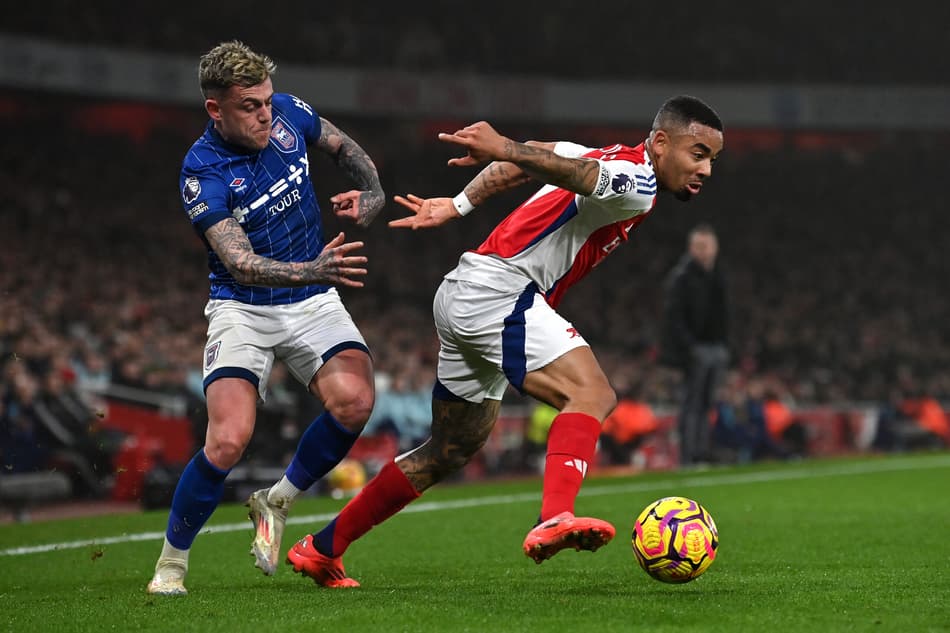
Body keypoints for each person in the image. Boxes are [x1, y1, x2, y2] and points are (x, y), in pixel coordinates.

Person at [280, 95, 724, 588]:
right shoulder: (637, 181)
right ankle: (555, 516)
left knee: (450, 447)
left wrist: (459, 202)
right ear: (661, 143)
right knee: (593, 394)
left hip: (466, 292)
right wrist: (507, 148)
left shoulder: (598, 152)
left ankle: (321, 548)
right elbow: (564, 171)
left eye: (711, 159)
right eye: (697, 152)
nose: (705, 168)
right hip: (498, 293)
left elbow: (532, 158)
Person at [147, 41, 385, 595]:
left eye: (267, 100)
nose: (265, 113)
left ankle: (277, 500)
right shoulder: (200, 172)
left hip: (310, 298)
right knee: (228, 441)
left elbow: (342, 145)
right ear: (216, 109)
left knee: (356, 402)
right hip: (242, 308)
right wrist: (314, 269)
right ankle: (171, 563)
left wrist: (372, 191)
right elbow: (240, 264)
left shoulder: (289, 115)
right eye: (250, 105)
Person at [659, 223, 730, 467]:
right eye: (699, 246)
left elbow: (724, 314)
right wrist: (690, 347)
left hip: (715, 347)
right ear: (691, 248)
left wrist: (725, 344)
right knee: (692, 403)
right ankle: (689, 455)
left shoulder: (717, 274)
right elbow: (673, 318)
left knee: (706, 403)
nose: (704, 251)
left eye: (707, 245)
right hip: (695, 350)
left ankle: (701, 451)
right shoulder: (682, 277)